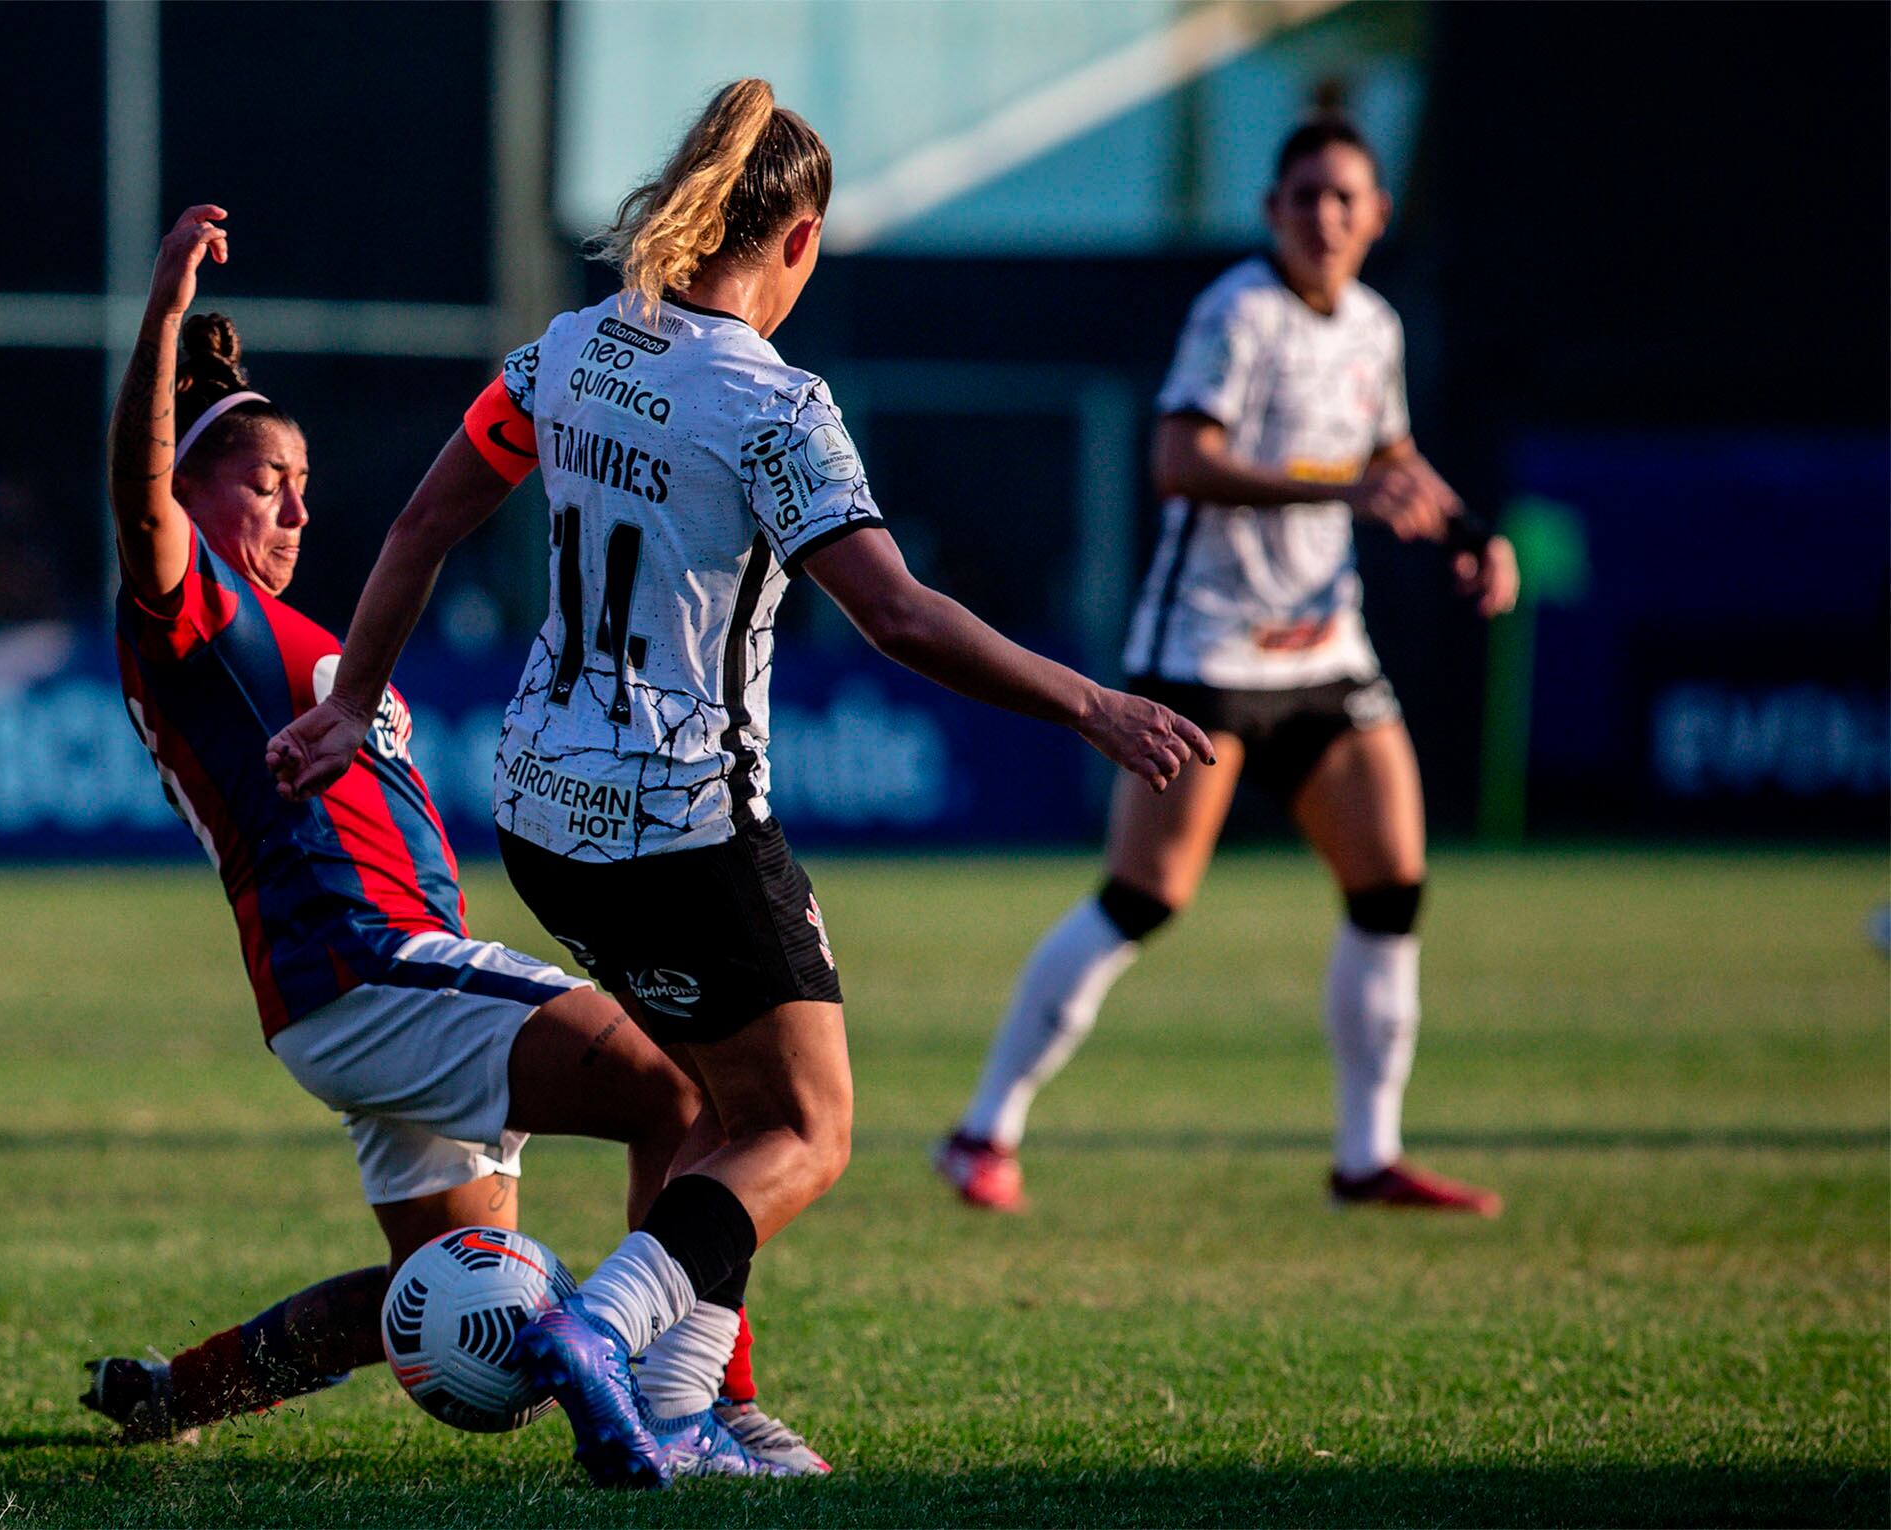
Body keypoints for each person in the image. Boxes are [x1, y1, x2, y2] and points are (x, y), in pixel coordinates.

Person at [264, 80, 1212, 1489]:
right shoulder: (774, 407)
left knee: (720, 1109)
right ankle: (603, 1324)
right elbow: (892, 613)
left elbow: (422, 522)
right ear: (800, 237)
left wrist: (350, 702)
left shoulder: (565, 354)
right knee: (805, 1129)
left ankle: (685, 1404)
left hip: (543, 814)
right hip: (681, 822)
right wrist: (1088, 700)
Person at [78, 204, 825, 1479]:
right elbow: (134, 489)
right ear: (195, 491)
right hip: (367, 963)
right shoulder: (188, 610)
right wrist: (159, 313)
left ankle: (170, 1394)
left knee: (451, 1289)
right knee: (691, 1090)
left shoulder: (291, 633)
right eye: (268, 482)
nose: (297, 508)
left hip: (359, 991)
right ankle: (698, 1403)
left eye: (306, 486)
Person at [934, 118, 1519, 1217]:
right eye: (1303, 196)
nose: (1324, 216)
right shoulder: (1236, 311)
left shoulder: (1374, 325)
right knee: (1141, 900)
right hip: (1204, 651)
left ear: (1377, 215)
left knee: (1390, 887)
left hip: (1325, 651)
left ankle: (1364, 1157)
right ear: (1270, 212)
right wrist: (1339, 492)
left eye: (1345, 198)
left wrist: (1466, 534)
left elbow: (1387, 458)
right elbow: (1178, 461)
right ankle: (980, 1133)